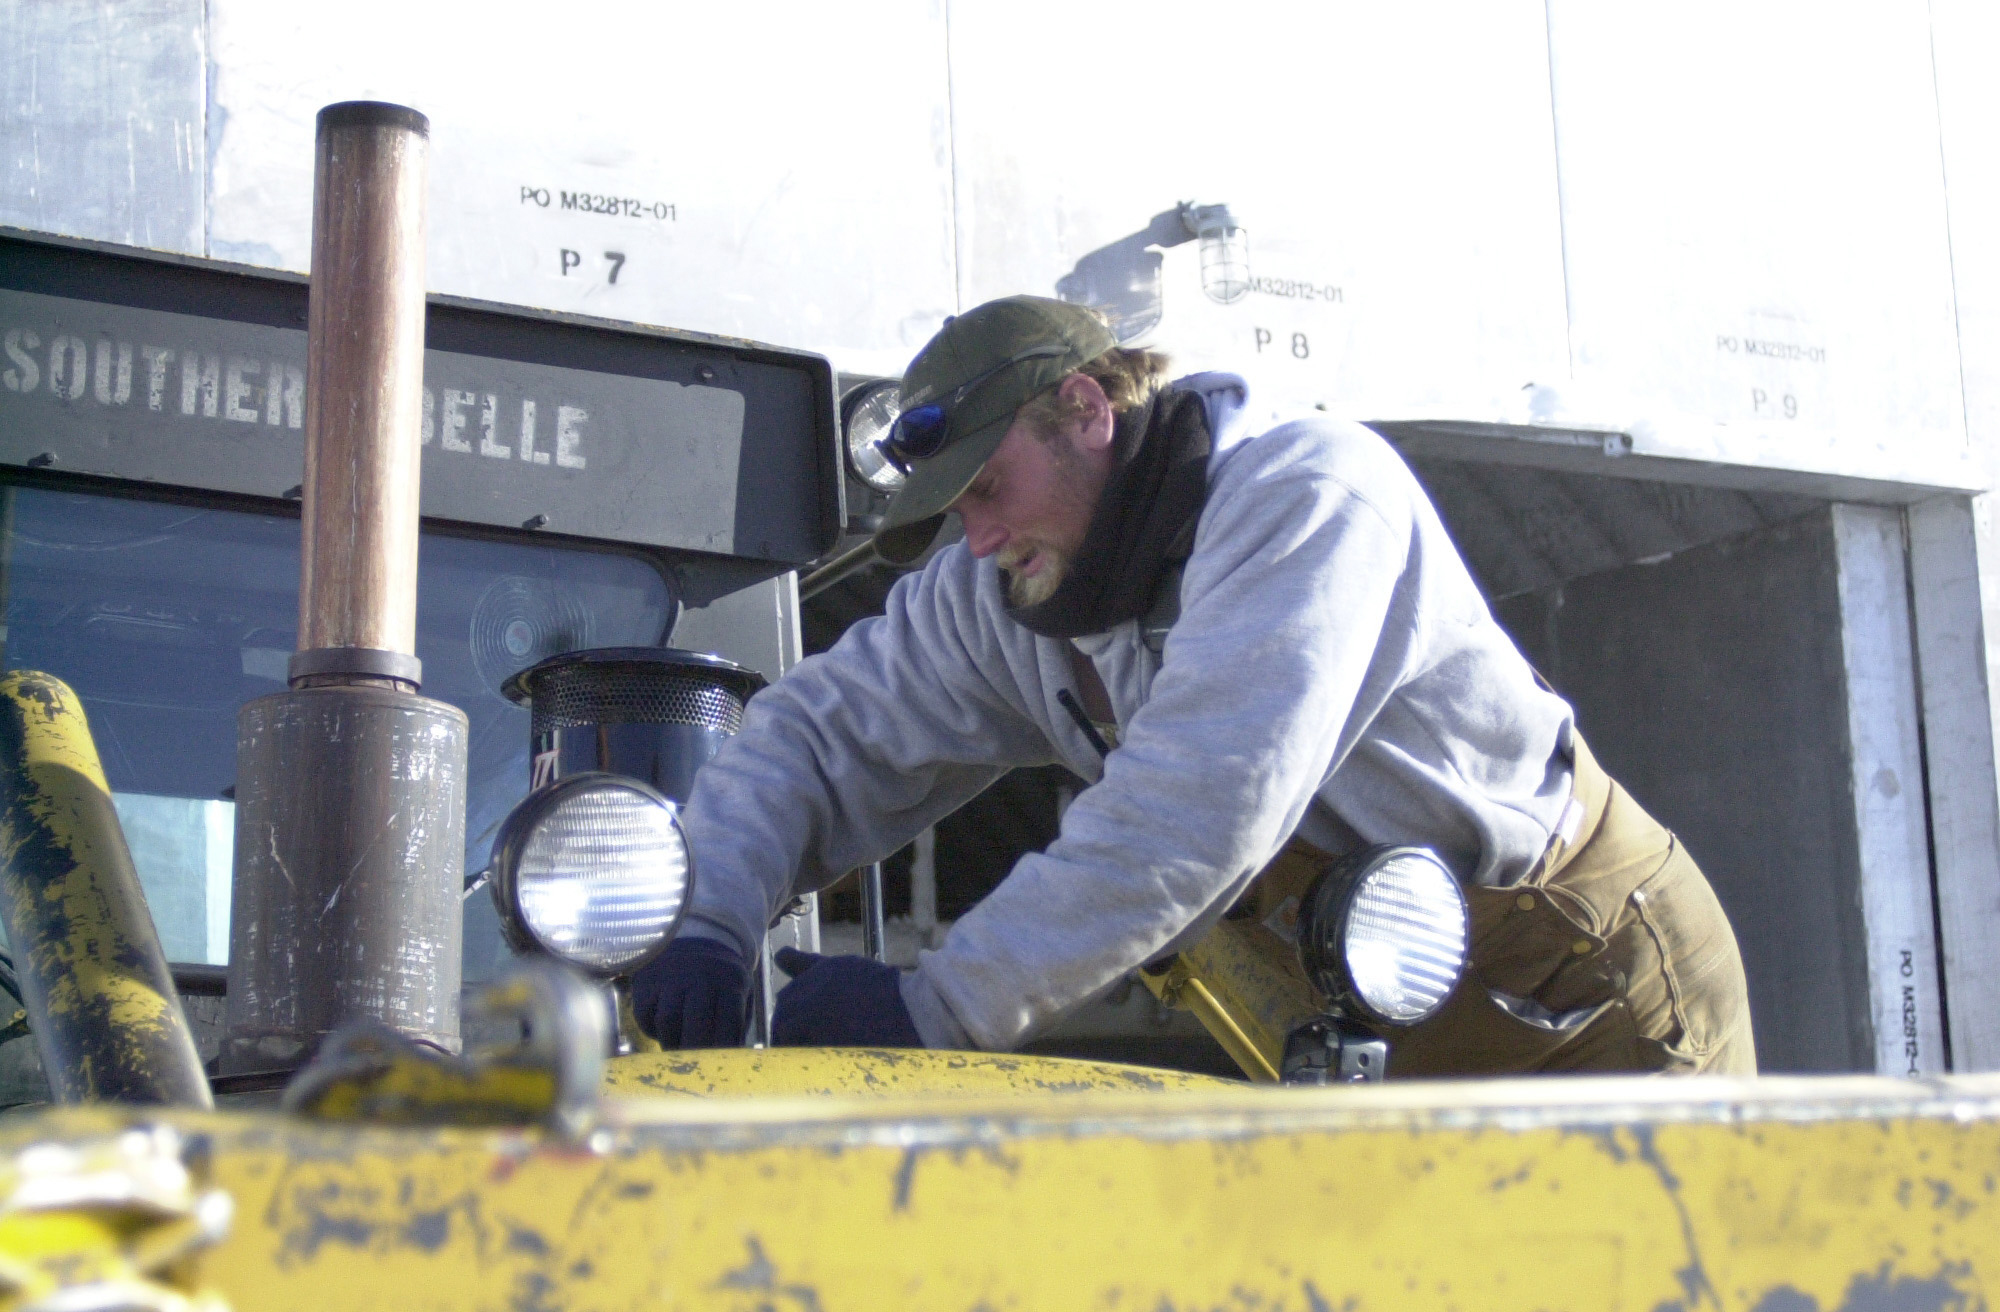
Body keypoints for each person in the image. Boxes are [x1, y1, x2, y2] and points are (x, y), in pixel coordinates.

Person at [632, 295, 1756, 1076]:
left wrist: (928, 1007)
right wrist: (708, 922)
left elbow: (1195, 807)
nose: (974, 540)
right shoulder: (1006, 595)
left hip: (1575, 986)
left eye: (985, 486)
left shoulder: (1307, 496)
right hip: (1373, 1013)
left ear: (1082, 408)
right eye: (950, 513)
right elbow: (817, 738)